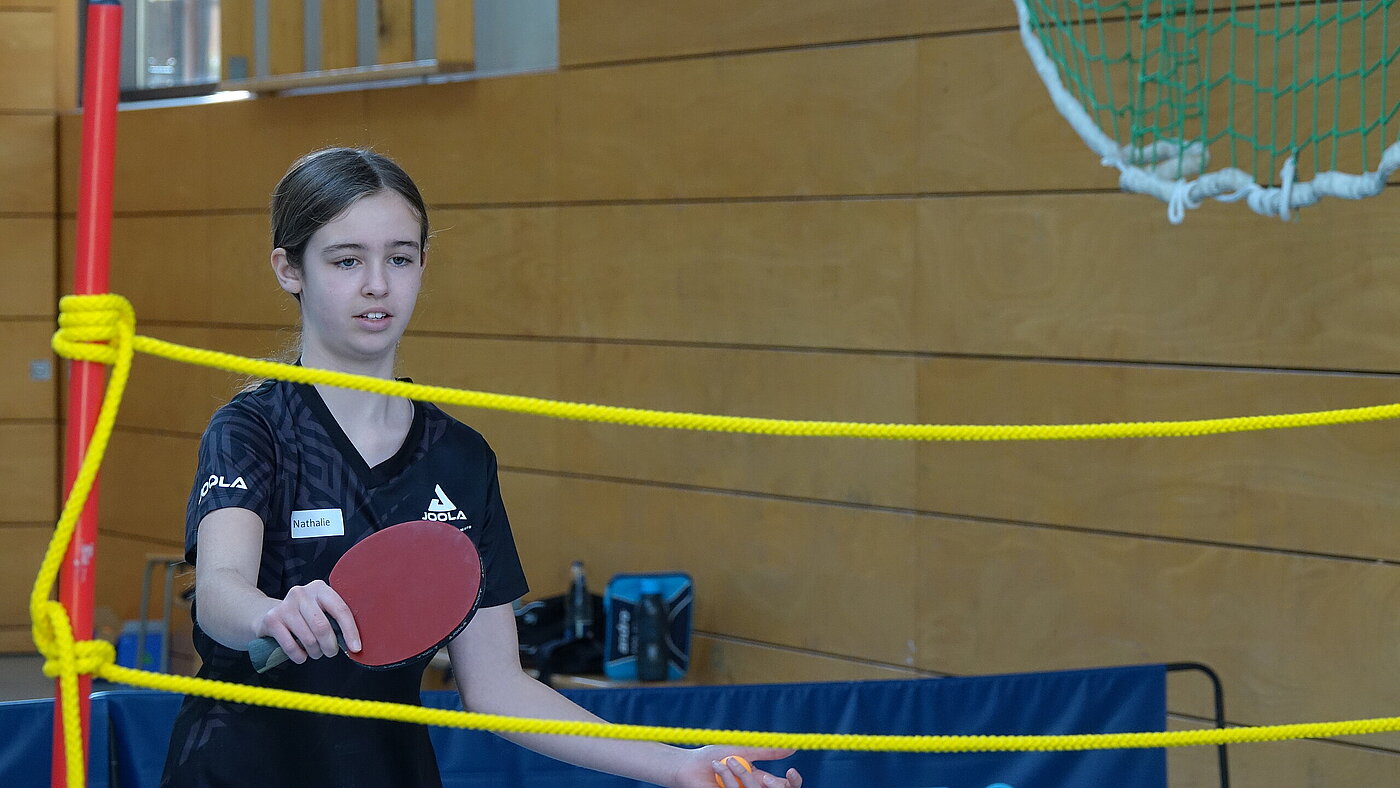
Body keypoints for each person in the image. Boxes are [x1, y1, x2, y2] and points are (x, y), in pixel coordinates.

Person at [160, 147, 805, 788]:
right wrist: (267, 615)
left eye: (399, 258)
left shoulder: (459, 457)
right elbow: (219, 591)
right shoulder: (252, 430)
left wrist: (676, 764)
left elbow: (498, 686)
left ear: (422, 265)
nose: (377, 284)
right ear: (289, 269)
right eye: (346, 260)